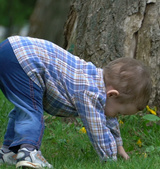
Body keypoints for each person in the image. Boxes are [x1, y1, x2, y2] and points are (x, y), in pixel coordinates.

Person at [0, 36, 152, 168]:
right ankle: (29, 151)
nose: (116, 116)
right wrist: (111, 159)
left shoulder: (94, 80)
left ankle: (9, 151)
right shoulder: (90, 92)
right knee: (31, 111)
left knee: (25, 108)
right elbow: (98, 128)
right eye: (119, 112)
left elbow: (108, 119)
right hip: (25, 58)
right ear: (112, 94)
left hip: (12, 50)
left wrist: (119, 146)